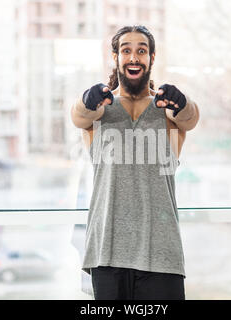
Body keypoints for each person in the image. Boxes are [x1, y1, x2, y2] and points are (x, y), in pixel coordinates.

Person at [70, 25, 200, 300]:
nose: (133, 57)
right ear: (116, 57)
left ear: (152, 58)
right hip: (106, 253)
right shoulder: (99, 111)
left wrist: (181, 100)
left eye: (141, 50)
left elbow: (190, 118)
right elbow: (78, 115)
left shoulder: (167, 111)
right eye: (126, 50)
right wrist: (86, 99)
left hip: (162, 256)